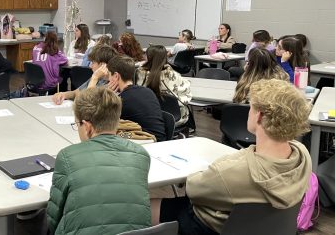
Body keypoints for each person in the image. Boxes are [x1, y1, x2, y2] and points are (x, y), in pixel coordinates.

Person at [152, 79, 312, 235]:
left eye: (251, 107)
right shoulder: (303, 156)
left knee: (146, 207)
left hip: (208, 226)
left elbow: (193, 189)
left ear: (260, 116)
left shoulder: (229, 172)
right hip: (269, 227)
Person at [47, 87, 151, 235]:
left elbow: (53, 217)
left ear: (88, 127)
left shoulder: (67, 157)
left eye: (77, 124)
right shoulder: (141, 154)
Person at [107, 55, 166, 141]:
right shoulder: (147, 91)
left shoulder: (121, 100)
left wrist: (107, 96)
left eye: (109, 75)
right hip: (160, 141)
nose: (108, 79)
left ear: (116, 76)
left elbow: (99, 122)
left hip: (145, 143)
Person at [136, 45, 192, 125]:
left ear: (147, 58)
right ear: (165, 57)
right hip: (174, 118)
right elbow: (186, 96)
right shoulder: (173, 75)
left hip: (147, 116)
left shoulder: (139, 74)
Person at [52, 45, 118, 105]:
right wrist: (63, 94)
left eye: (93, 62)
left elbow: (86, 103)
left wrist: (94, 78)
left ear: (103, 65)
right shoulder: (98, 78)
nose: (90, 66)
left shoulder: (110, 85)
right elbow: (76, 93)